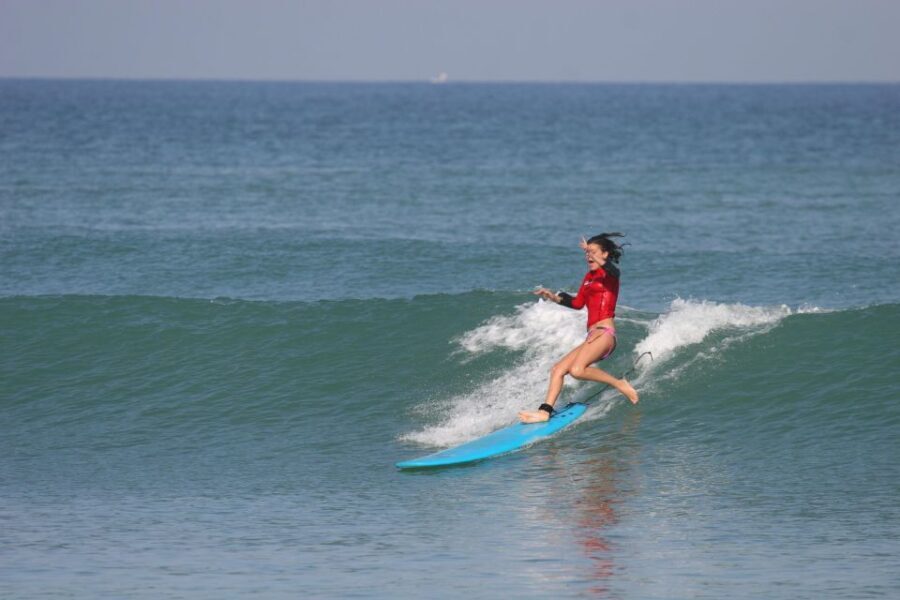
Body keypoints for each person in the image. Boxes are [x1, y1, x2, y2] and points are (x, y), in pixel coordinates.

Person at [518, 233, 639, 423]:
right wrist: (553, 297)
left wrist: (596, 256)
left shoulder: (610, 275)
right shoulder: (589, 277)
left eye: (592, 252)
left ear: (605, 254)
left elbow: (613, 271)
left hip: (605, 333)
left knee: (577, 370)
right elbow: (577, 303)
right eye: (586, 253)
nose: (588, 256)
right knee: (557, 369)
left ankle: (619, 383)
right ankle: (544, 412)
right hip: (592, 335)